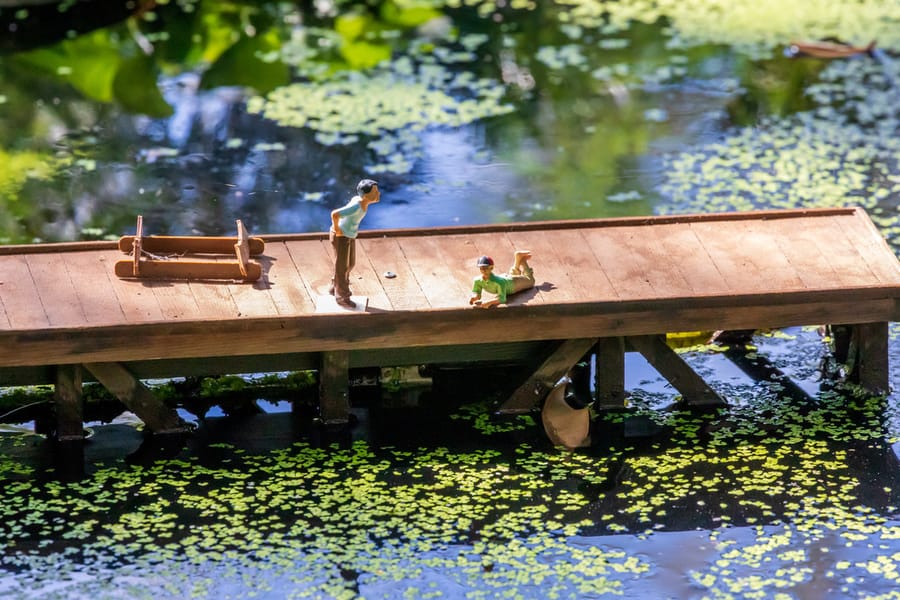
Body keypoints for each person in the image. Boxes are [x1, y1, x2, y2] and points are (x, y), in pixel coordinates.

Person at [329, 179, 380, 308]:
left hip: (349, 235)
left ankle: (333, 287)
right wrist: (338, 230)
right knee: (342, 268)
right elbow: (335, 214)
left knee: (350, 264)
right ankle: (342, 297)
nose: (378, 193)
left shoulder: (362, 202)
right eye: (375, 191)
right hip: (341, 236)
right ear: (366, 194)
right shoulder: (357, 205)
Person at [469, 251, 535, 308]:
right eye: (481, 268)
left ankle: (522, 261)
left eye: (486, 268)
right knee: (512, 275)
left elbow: (502, 299)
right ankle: (518, 257)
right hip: (505, 278)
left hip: (512, 284)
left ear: (491, 268)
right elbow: (477, 292)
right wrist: (474, 297)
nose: (483, 270)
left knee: (531, 281)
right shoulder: (477, 280)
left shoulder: (499, 282)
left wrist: (489, 302)